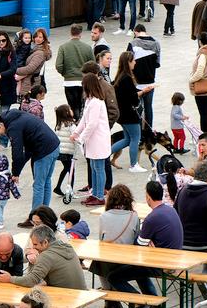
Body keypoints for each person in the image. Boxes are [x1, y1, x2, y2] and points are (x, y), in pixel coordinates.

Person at [0, 109, 60, 223]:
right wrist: (17, 172)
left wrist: (16, 173)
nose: (0, 134)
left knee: (38, 185)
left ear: (1, 124)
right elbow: (27, 151)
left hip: (44, 150)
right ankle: (45, 215)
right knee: (46, 182)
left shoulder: (13, 127)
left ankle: (35, 218)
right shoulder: (17, 117)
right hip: (53, 146)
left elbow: (17, 153)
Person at [0, 225, 87, 290]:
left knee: (26, 301)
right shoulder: (67, 247)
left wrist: (10, 279)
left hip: (66, 298)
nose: (33, 247)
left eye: (35, 244)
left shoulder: (46, 256)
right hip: (80, 295)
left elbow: (30, 281)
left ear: (45, 243)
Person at [110, 52, 155, 175]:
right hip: (130, 114)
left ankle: (105, 154)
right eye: (133, 60)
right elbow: (133, 98)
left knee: (127, 139)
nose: (135, 62)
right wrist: (143, 92)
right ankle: (133, 164)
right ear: (128, 62)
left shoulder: (120, 76)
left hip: (122, 114)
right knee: (136, 138)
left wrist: (141, 91)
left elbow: (129, 93)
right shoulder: (127, 78)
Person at [73, 73, 113, 206]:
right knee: (93, 166)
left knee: (99, 168)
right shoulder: (89, 100)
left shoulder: (96, 102)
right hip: (92, 140)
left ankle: (100, 196)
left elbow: (92, 123)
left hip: (98, 139)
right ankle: (94, 193)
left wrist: (81, 138)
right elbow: (84, 120)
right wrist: (76, 133)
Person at [55, 24, 94, 120]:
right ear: (80, 34)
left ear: (70, 33)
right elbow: (93, 65)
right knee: (83, 107)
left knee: (73, 107)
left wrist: (65, 74)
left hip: (69, 82)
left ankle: (76, 124)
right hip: (84, 81)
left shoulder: (63, 47)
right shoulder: (87, 48)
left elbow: (58, 65)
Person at [128, 24, 161, 126]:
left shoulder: (132, 44)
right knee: (148, 107)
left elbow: (127, 62)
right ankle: (149, 130)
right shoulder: (156, 44)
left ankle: (138, 130)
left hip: (136, 83)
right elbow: (157, 64)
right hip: (150, 82)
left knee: (137, 107)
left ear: (135, 32)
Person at [137, 181, 184, 249]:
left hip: (164, 257)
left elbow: (140, 244)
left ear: (148, 197)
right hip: (177, 253)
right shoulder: (172, 210)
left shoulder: (152, 218)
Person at [15, 28, 51, 99]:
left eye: (40, 37)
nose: (37, 39)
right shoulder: (34, 49)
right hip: (28, 81)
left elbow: (30, 68)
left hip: (31, 83)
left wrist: (14, 70)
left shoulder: (40, 53)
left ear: (44, 39)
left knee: (28, 105)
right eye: (36, 36)